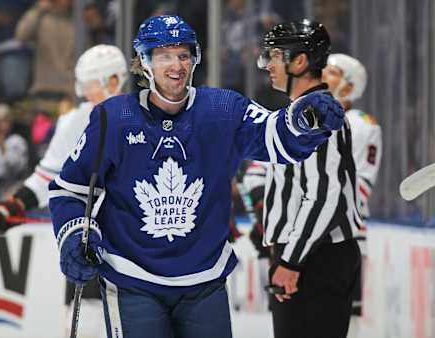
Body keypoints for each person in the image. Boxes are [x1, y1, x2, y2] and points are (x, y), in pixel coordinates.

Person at [48, 15, 345, 338]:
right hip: (133, 281)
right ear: (144, 62)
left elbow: (277, 138)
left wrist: (304, 120)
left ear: (195, 59)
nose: (176, 65)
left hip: (205, 282)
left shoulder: (223, 109)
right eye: (164, 56)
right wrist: (75, 236)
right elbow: (69, 191)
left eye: (183, 55)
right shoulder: (113, 117)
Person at [0, 44, 128, 338]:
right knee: (86, 323)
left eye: (91, 85)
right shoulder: (76, 120)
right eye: (82, 85)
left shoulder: (144, 116)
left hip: (137, 243)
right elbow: (49, 175)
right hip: (91, 238)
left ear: (113, 81)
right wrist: (14, 206)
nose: (84, 93)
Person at [258, 20, 362, 338]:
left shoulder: (315, 112)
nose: (268, 65)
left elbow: (323, 194)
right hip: (308, 255)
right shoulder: (300, 110)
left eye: (275, 56)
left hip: (316, 259)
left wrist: (291, 261)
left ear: (299, 61)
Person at [323, 53, 382, 338]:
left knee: (346, 319)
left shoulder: (361, 124)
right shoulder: (308, 118)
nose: (323, 75)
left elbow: (361, 184)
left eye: (332, 72)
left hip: (346, 236)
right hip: (309, 239)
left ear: (349, 86)